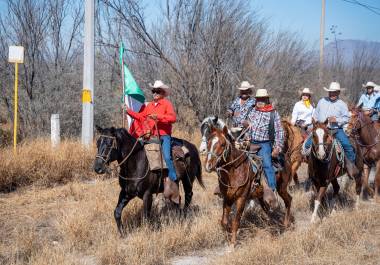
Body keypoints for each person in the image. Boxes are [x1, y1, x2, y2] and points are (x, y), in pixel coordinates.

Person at [125, 80, 180, 205]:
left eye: (157, 91)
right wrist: (128, 111)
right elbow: (141, 117)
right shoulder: (149, 105)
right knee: (138, 154)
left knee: (166, 156)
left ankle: (172, 178)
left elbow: (173, 118)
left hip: (163, 136)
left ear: (162, 93)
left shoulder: (166, 104)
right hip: (150, 136)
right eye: (153, 91)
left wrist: (159, 117)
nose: (154, 93)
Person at [304, 81, 358, 177]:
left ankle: (351, 166)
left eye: (334, 92)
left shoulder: (342, 104)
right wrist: (313, 123)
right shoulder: (322, 101)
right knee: (307, 145)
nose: (332, 94)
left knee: (347, 146)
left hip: (335, 130)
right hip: (320, 129)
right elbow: (316, 115)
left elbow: (346, 118)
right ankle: (311, 167)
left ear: (338, 93)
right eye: (330, 92)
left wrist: (336, 120)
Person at [245, 88, 284, 201]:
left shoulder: (273, 113)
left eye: (262, 99)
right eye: (258, 99)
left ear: (267, 99)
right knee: (238, 159)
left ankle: (272, 190)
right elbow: (247, 127)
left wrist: (277, 147)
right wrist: (246, 133)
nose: (260, 101)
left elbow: (279, 131)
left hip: (265, 143)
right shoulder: (252, 110)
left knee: (267, 164)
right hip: (251, 142)